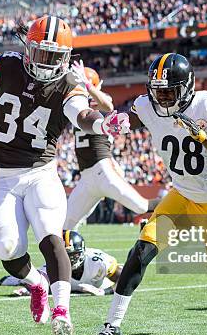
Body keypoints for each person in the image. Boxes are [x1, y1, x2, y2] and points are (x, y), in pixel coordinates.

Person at [0, 15, 129, 335]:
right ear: (28, 49)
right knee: (8, 248)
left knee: (51, 235)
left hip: (41, 172)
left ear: (66, 57)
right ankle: (36, 283)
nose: (47, 63)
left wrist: (102, 124)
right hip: (2, 177)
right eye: (42, 54)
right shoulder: (9, 64)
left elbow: (82, 115)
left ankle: (62, 311)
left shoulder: (69, 82)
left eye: (55, 57)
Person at [85, 53, 207, 335]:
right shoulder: (147, 106)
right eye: (156, 91)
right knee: (141, 250)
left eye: (168, 91)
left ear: (186, 87)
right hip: (182, 195)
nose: (161, 98)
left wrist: (203, 138)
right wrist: (97, 118)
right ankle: (112, 328)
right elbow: (123, 121)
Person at [64, 63, 157, 230]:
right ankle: (74, 255)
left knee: (142, 206)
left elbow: (108, 105)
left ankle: (182, 208)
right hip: (87, 176)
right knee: (66, 225)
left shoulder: (96, 100)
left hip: (103, 170)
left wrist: (87, 85)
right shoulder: (76, 105)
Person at [0, 230, 121, 296]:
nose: (70, 260)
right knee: (22, 279)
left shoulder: (98, 262)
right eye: (66, 256)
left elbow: (123, 277)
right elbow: (41, 285)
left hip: (99, 284)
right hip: (48, 277)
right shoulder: (51, 268)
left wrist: (104, 291)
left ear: (83, 252)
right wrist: (31, 289)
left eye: (74, 255)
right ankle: (13, 279)